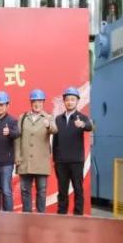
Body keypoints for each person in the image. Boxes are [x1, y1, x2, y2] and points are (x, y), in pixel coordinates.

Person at [53, 87, 94, 216]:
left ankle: (78, 214)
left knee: (78, 189)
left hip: (76, 161)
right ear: (64, 101)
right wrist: (55, 159)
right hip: (61, 162)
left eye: (72, 99)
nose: (69, 102)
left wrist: (83, 125)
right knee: (62, 190)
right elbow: (55, 140)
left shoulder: (82, 117)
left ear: (77, 101)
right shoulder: (58, 119)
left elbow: (90, 127)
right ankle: (61, 214)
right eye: (67, 99)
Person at [16, 89, 57, 213]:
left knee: (41, 190)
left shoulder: (48, 117)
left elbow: (55, 130)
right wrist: (17, 156)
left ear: (43, 102)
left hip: (41, 161)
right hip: (25, 160)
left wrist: (48, 125)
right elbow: (17, 138)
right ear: (31, 102)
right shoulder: (23, 117)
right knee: (25, 190)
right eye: (34, 101)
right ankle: (27, 215)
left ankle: (40, 215)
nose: (37, 104)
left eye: (39, 101)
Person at [0, 91, 20, 212]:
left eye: (2, 105)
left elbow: (17, 133)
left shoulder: (12, 121)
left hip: (6, 163)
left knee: (6, 190)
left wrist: (10, 132)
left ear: (7, 105)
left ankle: (8, 216)